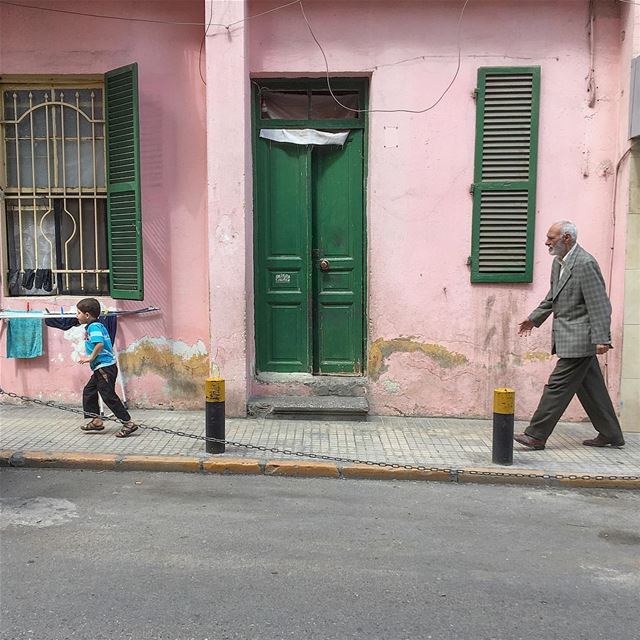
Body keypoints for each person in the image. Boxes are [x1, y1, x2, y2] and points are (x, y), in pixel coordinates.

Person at [515, 221, 625, 450]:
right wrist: (534, 319)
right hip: (567, 336)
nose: (546, 242)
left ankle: (536, 435)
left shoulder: (585, 263)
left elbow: (600, 304)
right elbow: (552, 296)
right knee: (591, 387)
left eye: (551, 238)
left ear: (566, 238)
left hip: (580, 338)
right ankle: (611, 433)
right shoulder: (559, 263)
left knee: (557, 386)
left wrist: (602, 338)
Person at [75, 298, 138, 438]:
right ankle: (96, 421)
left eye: (78, 313)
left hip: (104, 367)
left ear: (87, 315)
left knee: (108, 396)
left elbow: (99, 344)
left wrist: (90, 358)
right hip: (100, 368)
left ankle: (128, 423)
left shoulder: (94, 327)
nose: (76, 316)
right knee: (89, 391)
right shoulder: (96, 325)